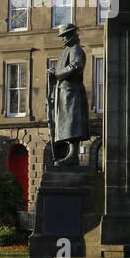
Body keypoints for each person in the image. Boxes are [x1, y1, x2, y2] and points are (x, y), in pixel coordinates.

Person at [47, 22, 91, 166]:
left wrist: (57, 73)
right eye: (62, 36)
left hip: (72, 93)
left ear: (73, 34)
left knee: (72, 125)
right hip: (64, 93)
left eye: (65, 35)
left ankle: (73, 155)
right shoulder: (66, 50)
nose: (63, 39)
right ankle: (70, 154)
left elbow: (76, 66)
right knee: (66, 125)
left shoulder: (76, 49)